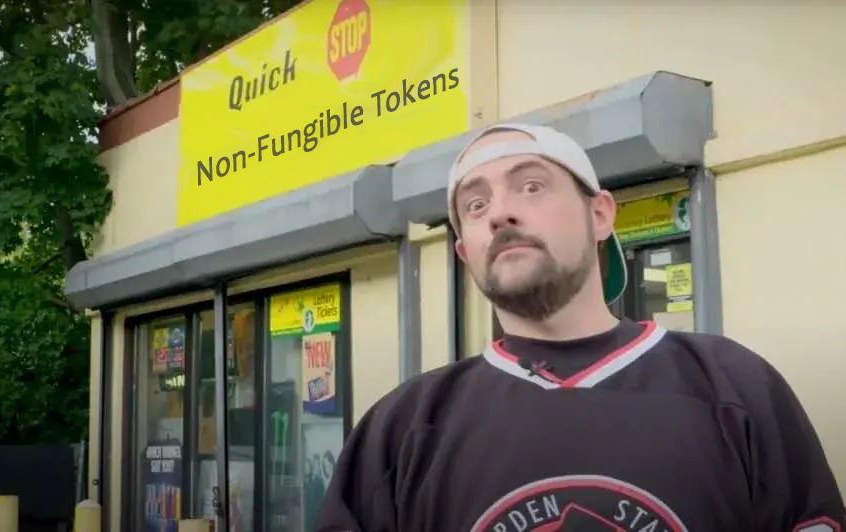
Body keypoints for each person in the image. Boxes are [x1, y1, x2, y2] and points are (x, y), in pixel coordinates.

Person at [314, 123, 846, 531]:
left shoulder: (737, 388)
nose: (499, 213)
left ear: (600, 215)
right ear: (464, 252)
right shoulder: (401, 430)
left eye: (530, 186)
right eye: (476, 205)